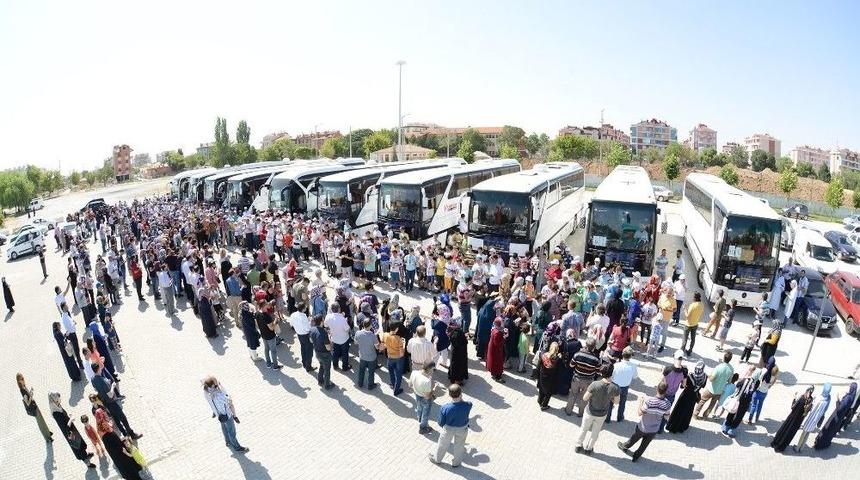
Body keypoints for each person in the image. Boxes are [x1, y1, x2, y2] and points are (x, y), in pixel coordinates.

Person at [617, 380, 672, 462]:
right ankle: (636, 457)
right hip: (654, 429)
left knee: (634, 438)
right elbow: (667, 416)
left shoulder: (649, 401)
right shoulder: (667, 404)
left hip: (643, 427)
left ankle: (625, 447)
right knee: (644, 445)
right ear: (666, 391)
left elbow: (640, 413)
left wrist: (641, 402)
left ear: (657, 389)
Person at [574, 363, 619, 454]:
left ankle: (578, 446)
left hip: (590, 411)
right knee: (595, 432)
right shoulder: (615, 387)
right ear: (612, 373)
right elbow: (617, 402)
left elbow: (585, 398)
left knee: (583, 429)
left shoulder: (595, 384)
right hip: (602, 414)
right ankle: (589, 449)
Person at [91, 365, 142, 440]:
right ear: (98, 369)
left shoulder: (93, 379)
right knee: (123, 418)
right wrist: (112, 386)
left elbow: (96, 390)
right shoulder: (102, 381)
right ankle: (132, 434)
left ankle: (125, 435)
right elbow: (110, 395)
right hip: (112, 403)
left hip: (105, 403)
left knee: (116, 419)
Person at [48, 392, 96, 469]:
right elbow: (65, 428)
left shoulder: (57, 406)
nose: (59, 401)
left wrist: (68, 416)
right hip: (70, 434)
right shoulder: (56, 413)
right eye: (57, 400)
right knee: (78, 448)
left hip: (72, 430)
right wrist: (70, 419)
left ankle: (86, 455)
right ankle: (88, 464)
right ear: (53, 401)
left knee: (81, 445)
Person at [429, 384, 472, 468]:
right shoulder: (468, 405)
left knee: (442, 444)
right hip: (462, 429)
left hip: (448, 429)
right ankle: (456, 463)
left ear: (449, 395)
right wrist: (461, 399)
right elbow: (465, 403)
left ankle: (437, 459)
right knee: (459, 445)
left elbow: (441, 422)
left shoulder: (445, 407)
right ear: (461, 394)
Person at [202, 376, 249, 453]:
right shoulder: (218, 394)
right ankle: (237, 447)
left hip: (219, 415)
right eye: (216, 381)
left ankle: (228, 441)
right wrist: (225, 392)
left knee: (224, 428)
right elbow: (229, 401)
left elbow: (203, 382)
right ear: (213, 385)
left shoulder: (207, 393)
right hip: (227, 414)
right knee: (232, 431)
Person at [814, 382, 857, 450]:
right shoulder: (852, 397)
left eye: (850, 386)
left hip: (836, 416)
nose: (849, 387)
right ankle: (825, 444)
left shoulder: (847, 398)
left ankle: (819, 444)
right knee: (831, 431)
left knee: (827, 429)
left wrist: (837, 399)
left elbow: (839, 409)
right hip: (841, 417)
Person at [667, 360, 707, 433]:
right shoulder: (705, 376)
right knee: (687, 412)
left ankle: (673, 426)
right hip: (694, 397)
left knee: (679, 410)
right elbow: (703, 386)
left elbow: (683, 386)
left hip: (685, 396)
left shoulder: (690, 375)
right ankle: (682, 427)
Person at [770, 386, 814, 452]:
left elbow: (792, 407)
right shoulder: (810, 400)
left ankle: (776, 443)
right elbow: (807, 411)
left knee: (785, 429)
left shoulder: (802, 398)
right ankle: (782, 447)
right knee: (790, 433)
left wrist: (794, 397)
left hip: (792, 418)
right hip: (798, 421)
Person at [721, 366, 760, 438]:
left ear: (750, 371)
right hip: (746, 402)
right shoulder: (757, 382)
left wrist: (745, 376)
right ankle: (731, 431)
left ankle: (725, 428)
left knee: (732, 413)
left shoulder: (744, 380)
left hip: (738, 399)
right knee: (739, 416)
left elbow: (738, 385)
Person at [566, 338, 601, 417]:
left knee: (573, 394)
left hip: (577, 379)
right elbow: (598, 372)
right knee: (584, 398)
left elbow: (571, 365)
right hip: (588, 381)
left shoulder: (578, 354)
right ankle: (580, 413)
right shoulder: (596, 359)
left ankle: (568, 411)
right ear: (594, 347)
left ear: (586, 345)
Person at [694, 351, 734, 419]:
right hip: (719, 391)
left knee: (702, 401)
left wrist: (708, 376)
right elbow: (729, 381)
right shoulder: (731, 369)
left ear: (724, 358)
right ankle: (705, 416)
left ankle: (695, 414)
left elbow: (711, 379)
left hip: (711, 388)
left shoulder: (718, 367)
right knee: (712, 405)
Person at [17, 373, 53, 442]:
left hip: (34, 405)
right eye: (21, 379)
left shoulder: (24, 386)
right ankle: (47, 438)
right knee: (40, 423)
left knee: (42, 419)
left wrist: (30, 393)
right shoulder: (22, 390)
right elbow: (27, 402)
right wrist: (31, 394)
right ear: (19, 381)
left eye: (23, 378)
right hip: (32, 408)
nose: (23, 380)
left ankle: (47, 432)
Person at [795, 383, 831, 452]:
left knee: (804, 433)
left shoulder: (819, 398)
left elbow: (812, 407)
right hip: (817, 419)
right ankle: (802, 448)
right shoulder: (828, 399)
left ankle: (797, 448)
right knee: (808, 433)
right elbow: (825, 410)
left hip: (811, 417)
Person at [607, 347, 638, 422]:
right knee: (622, 403)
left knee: (610, 403)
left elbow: (611, 376)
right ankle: (620, 417)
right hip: (625, 387)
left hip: (614, 386)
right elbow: (635, 376)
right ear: (630, 356)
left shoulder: (616, 365)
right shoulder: (633, 366)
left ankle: (607, 418)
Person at [749, 357, 779, 424]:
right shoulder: (773, 376)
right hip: (764, 393)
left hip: (758, 391)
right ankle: (756, 419)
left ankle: (750, 420)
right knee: (760, 406)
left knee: (753, 405)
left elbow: (757, 378)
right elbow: (770, 386)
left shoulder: (763, 371)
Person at [409, 361, 436, 434]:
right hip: (425, 399)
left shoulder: (414, 372)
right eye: (433, 369)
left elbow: (410, 385)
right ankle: (423, 428)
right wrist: (433, 390)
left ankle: (419, 419)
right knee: (425, 413)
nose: (433, 371)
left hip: (417, 395)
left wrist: (417, 389)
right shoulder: (427, 381)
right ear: (430, 369)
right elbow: (427, 396)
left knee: (419, 408)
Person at [354, 319, 380, 390]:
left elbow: (355, 343)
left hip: (362, 356)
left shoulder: (358, 333)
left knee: (361, 370)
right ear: (370, 325)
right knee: (371, 372)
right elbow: (377, 347)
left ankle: (360, 383)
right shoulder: (373, 335)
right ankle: (370, 385)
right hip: (371, 358)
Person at [325, 304, 352, 371]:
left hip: (334, 338)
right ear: (339, 309)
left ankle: (335, 365)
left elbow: (325, 325)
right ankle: (345, 367)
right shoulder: (342, 319)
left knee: (335, 353)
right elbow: (347, 329)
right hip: (344, 339)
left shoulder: (328, 317)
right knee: (345, 353)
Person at [309, 314, 333, 389]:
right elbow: (328, 348)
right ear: (321, 322)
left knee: (322, 366)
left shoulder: (312, 329)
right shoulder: (323, 333)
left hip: (317, 353)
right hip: (325, 354)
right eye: (323, 319)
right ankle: (327, 385)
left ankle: (320, 380)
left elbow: (311, 340)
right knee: (327, 370)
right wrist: (330, 339)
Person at [256, 302, 281, 369]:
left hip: (263, 335)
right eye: (266, 304)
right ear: (264, 306)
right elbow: (272, 328)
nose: (268, 305)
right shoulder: (266, 316)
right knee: (273, 351)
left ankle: (268, 364)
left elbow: (257, 325)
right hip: (270, 336)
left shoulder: (257, 313)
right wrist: (276, 319)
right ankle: (275, 366)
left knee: (266, 349)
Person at [383, 323, 406, 395]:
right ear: (396, 329)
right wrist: (404, 345)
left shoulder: (385, 335)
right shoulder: (399, 339)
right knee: (398, 376)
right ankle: (396, 391)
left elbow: (383, 346)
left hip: (390, 358)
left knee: (391, 373)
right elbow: (401, 354)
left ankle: (393, 385)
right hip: (398, 359)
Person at [537, 342, 560, 410]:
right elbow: (558, 370)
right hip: (551, 378)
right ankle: (544, 405)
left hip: (542, 375)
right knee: (548, 393)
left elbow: (539, 364)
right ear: (557, 349)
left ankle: (539, 400)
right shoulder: (557, 359)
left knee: (541, 388)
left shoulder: (544, 355)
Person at [447, 320, 469, 385]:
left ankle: (452, 377)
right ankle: (458, 381)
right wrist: (465, 337)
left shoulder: (452, 331)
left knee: (453, 365)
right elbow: (464, 342)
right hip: (460, 353)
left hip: (454, 352)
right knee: (459, 367)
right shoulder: (459, 333)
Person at [486, 318, 506, 383]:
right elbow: (497, 343)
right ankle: (498, 377)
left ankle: (493, 372)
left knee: (493, 361)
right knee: (498, 362)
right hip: (496, 350)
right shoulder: (497, 333)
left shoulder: (494, 329)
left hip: (492, 348)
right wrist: (504, 338)